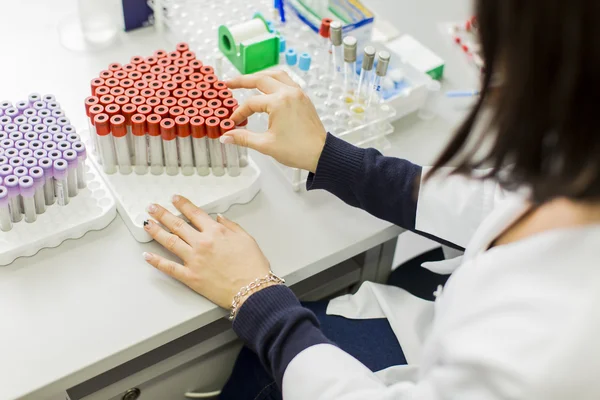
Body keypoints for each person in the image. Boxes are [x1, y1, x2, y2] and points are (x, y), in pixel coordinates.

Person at [141, 1, 600, 398]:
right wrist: (330, 156)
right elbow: (490, 203)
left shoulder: (555, 350)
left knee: (255, 374)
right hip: (457, 311)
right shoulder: (581, 166)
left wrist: (256, 295)